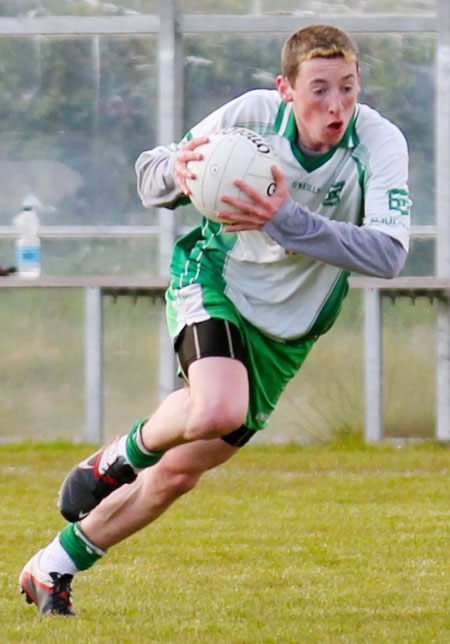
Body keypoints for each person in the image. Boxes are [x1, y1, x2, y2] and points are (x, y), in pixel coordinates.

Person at [19, 24, 410, 616]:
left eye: (348, 89)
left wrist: (285, 219)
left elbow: (388, 253)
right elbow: (152, 172)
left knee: (177, 475)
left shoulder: (379, 143)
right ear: (285, 89)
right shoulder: (250, 117)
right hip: (216, 281)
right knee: (219, 406)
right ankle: (116, 458)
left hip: (290, 329)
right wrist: (182, 174)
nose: (335, 106)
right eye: (319, 90)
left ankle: (53, 567)